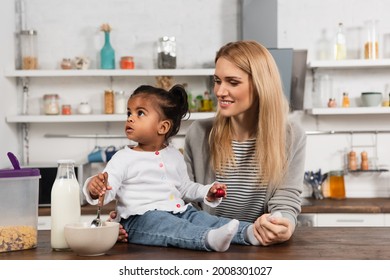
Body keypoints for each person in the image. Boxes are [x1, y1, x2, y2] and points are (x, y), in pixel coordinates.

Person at [83, 84, 260, 252]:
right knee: (169, 224)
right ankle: (207, 239)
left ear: (163, 127)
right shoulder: (123, 157)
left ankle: (250, 232)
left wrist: (207, 191)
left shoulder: (174, 155)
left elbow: (184, 187)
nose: (130, 118)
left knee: (202, 218)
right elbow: (107, 189)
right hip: (139, 219)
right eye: (129, 113)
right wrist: (94, 188)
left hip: (178, 211)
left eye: (140, 113)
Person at [183, 40, 307, 246]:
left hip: (261, 249)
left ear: (260, 85)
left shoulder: (292, 136)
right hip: (205, 245)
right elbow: (187, 202)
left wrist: (282, 224)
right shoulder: (199, 133)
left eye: (232, 82)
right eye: (217, 80)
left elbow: (286, 199)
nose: (220, 91)